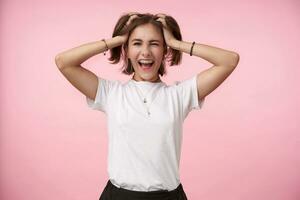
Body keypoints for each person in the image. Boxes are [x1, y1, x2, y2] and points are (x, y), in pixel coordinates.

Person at [55, 12, 239, 200]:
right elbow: (64, 62)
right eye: (137, 43)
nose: (145, 52)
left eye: (154, 43)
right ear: (126, 49)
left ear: (164, 50)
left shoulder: (179, 95)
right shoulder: (111, 93)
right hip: (119, 196)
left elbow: (229, 60)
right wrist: (116, 40)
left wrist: (177, 44)